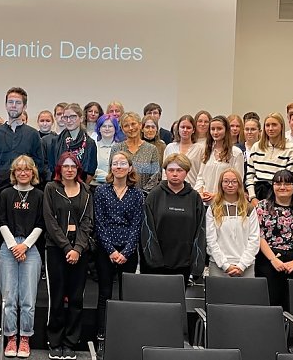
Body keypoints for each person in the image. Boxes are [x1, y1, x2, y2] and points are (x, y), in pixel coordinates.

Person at [43, 152, 93, 360]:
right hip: (56, 250)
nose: (70, 169)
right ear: (60, 169)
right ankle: (54, 342)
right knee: (56, 297)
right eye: (66, 166)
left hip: (79, 251)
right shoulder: (51, 189)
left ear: (78, 169)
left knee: (75, 299)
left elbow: (87, 222)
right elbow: (50, 222)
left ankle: (70, 342)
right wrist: (66, 248)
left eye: (73, 166)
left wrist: (78, 249)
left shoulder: (87, 191)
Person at [93, 151, 143, 340]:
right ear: (111, 167)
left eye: (123, 163)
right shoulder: (101, 191)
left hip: (128, 251)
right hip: (105, 249)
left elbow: (137, 224)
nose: (119, 167)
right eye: (115, 163)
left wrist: (126, 252)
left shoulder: (137, 193)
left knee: (126, 294)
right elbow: (99, 223)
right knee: (104, 293)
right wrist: (111, 251)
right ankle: (102, 332)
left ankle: (124, 333)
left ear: (130, 168)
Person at [0, 156, 44, 359]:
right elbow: (0, 220)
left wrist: (24, 246)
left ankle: (25, 337)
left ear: (33, 173)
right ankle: (11, 337)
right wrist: (13, 246)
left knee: (27, 298)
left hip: (31, 247)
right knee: (8, 297)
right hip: (8, 247)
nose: (23, 173)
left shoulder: (40, 195)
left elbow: (42, 223)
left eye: (27, 170)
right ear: (14, 173)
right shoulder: (6, 194)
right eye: (19, 170)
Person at [255, 170, 293, 308]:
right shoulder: (262, 207)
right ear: (273, 186)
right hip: (269, 260)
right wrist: (273, 259)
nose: (282, 187)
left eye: (287, 183)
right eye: (278, 183)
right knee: (269, 304)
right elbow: (258, 235)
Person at [141, 153, 206, 281]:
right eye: (171, 170)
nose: (175, 174)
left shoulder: (194, 198)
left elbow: (201, 232)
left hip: (184, 264)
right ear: (165, 172)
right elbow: (147, 230)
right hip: (156, 264)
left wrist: (196, 264)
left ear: (186, 172)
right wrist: (154, 260)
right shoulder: (154, 195)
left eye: (179, 170)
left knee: (178, 300)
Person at [205, 168, 259, 278]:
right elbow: (211, 240)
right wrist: (225, 265)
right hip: (218, 266)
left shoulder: (249, 209)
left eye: (234, 181)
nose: (230, 185)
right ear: (221, 184)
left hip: (245, 266)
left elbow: (254, 239)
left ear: (239, 184)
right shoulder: (213, 209)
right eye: (226, 181)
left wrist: (242, 265)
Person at [0, 87, 44, 190]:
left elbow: (38, 164)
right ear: (6, 105)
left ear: (24, 106)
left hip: (25, 188)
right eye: (10, 102)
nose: (13, 106)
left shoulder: (33, 134)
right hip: (0, 188)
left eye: (18, 102)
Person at [246, 113, 293, 206]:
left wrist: (280, 198)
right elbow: (250, 176)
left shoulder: (291, 148)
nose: (270, 128)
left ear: (281, 127)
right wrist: (252, 197)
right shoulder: (256, 147)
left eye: (274, 125)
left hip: (279, 195)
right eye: (267, 125)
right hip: (257, 194)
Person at [195, 115, 244, 205]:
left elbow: (238, 181)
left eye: (219, 129)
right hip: (205, 203)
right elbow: (200, 177)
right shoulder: (207, 151)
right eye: (212, 129)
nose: (215, 132)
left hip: (225, 203)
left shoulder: (236, 153)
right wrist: (199, 193)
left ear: (226, 130)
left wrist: (217, 195)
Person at [47, 104, 98, 184]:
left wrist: (80, 188)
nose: (68, 120)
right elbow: (52, 169)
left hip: (81, 187)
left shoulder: (90, 143)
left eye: (72, 117)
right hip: (59, 187)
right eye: (65, 117)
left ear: (81, 118)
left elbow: (90, 172)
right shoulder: (55, 142)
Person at [112, 112, 161, 191]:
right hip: (120, 196)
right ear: (122, 129)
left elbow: (155, 176)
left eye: (133, 124)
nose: (131, 128)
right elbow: (112, 173)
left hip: (145, 197)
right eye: (126, 126)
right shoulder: (116, 148)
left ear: (140, 125)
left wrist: (142, 195)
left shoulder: (152, 149)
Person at [165, 114, 204, 186]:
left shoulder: (200, 149)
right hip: (171, 189)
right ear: (178, 129)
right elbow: (165, 172)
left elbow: (201, 173)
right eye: (182, 127)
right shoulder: (170, 147)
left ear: (193, 130)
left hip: (192, 188)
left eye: (188, 128)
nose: (185, 130)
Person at [92, 114, 125, 187]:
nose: (107, 129)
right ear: (99, 129)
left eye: (110, 126)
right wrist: (111, 178)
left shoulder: (122, 147)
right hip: (95, 187)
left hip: (118, 187)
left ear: (115, 128)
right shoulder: (92, 146)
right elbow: (92, 170)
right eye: (104, 126)